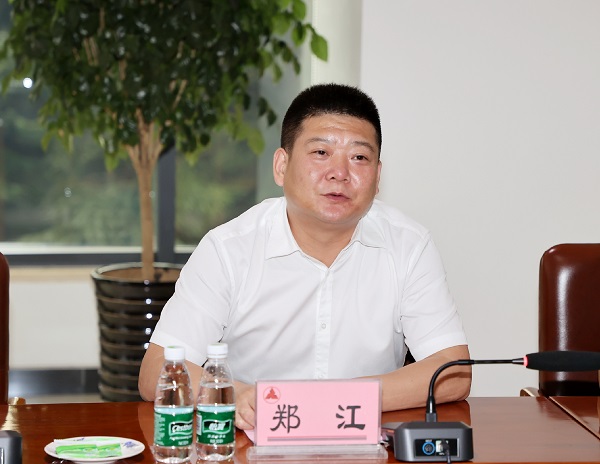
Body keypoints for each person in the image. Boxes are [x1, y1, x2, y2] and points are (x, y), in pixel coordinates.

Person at [139, 83, 471, 430]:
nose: (339, 173)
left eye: (359, 157)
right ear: (281, 166)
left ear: (377, 177)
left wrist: (341, 400)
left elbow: (454, 371)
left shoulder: (408, 245)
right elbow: (156, 371)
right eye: (321, 152)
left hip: (365, 440)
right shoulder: (228, 249)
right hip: (251, 438)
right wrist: (237, 395)